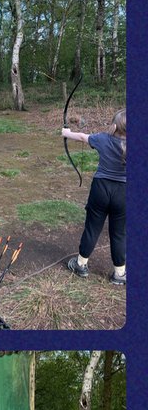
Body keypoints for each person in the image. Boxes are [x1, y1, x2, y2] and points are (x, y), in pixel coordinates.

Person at [63, 109, 126, 286]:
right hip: (124, 193)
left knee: (92, 227)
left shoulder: (104, 139)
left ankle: (81, 265)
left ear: (114, 126)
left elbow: (83, 137)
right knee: (119, 233)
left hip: (101, 190)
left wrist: (67, 133)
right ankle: (119, 273)